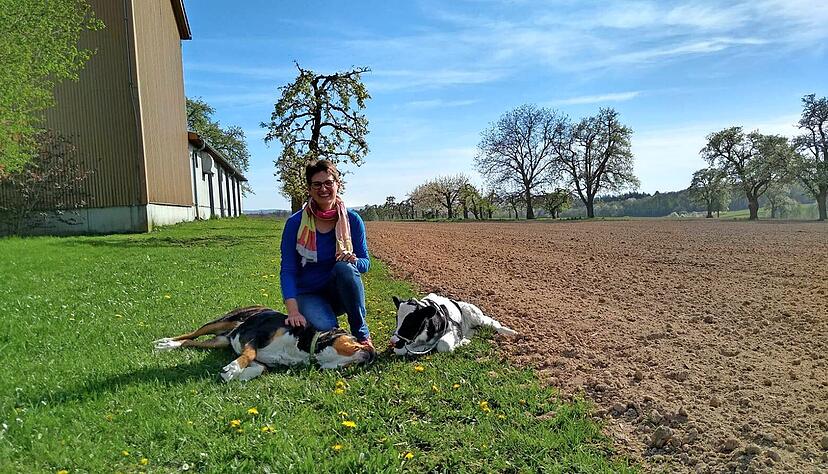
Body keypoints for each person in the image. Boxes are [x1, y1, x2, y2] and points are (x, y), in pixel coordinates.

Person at [279, 159, 373, 350]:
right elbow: (288, 270)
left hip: (340, 293)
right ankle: (333, 329)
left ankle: (362, 334)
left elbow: (365, 263)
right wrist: (293, 311)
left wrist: (354, 261)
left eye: (329, 183)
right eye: (317, 184)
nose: (324, 189)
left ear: (337, 185)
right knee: (327, 331)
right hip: (308, 293)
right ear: (309, 189)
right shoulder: (295, 224)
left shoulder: (352, 220)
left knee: (345, 268)